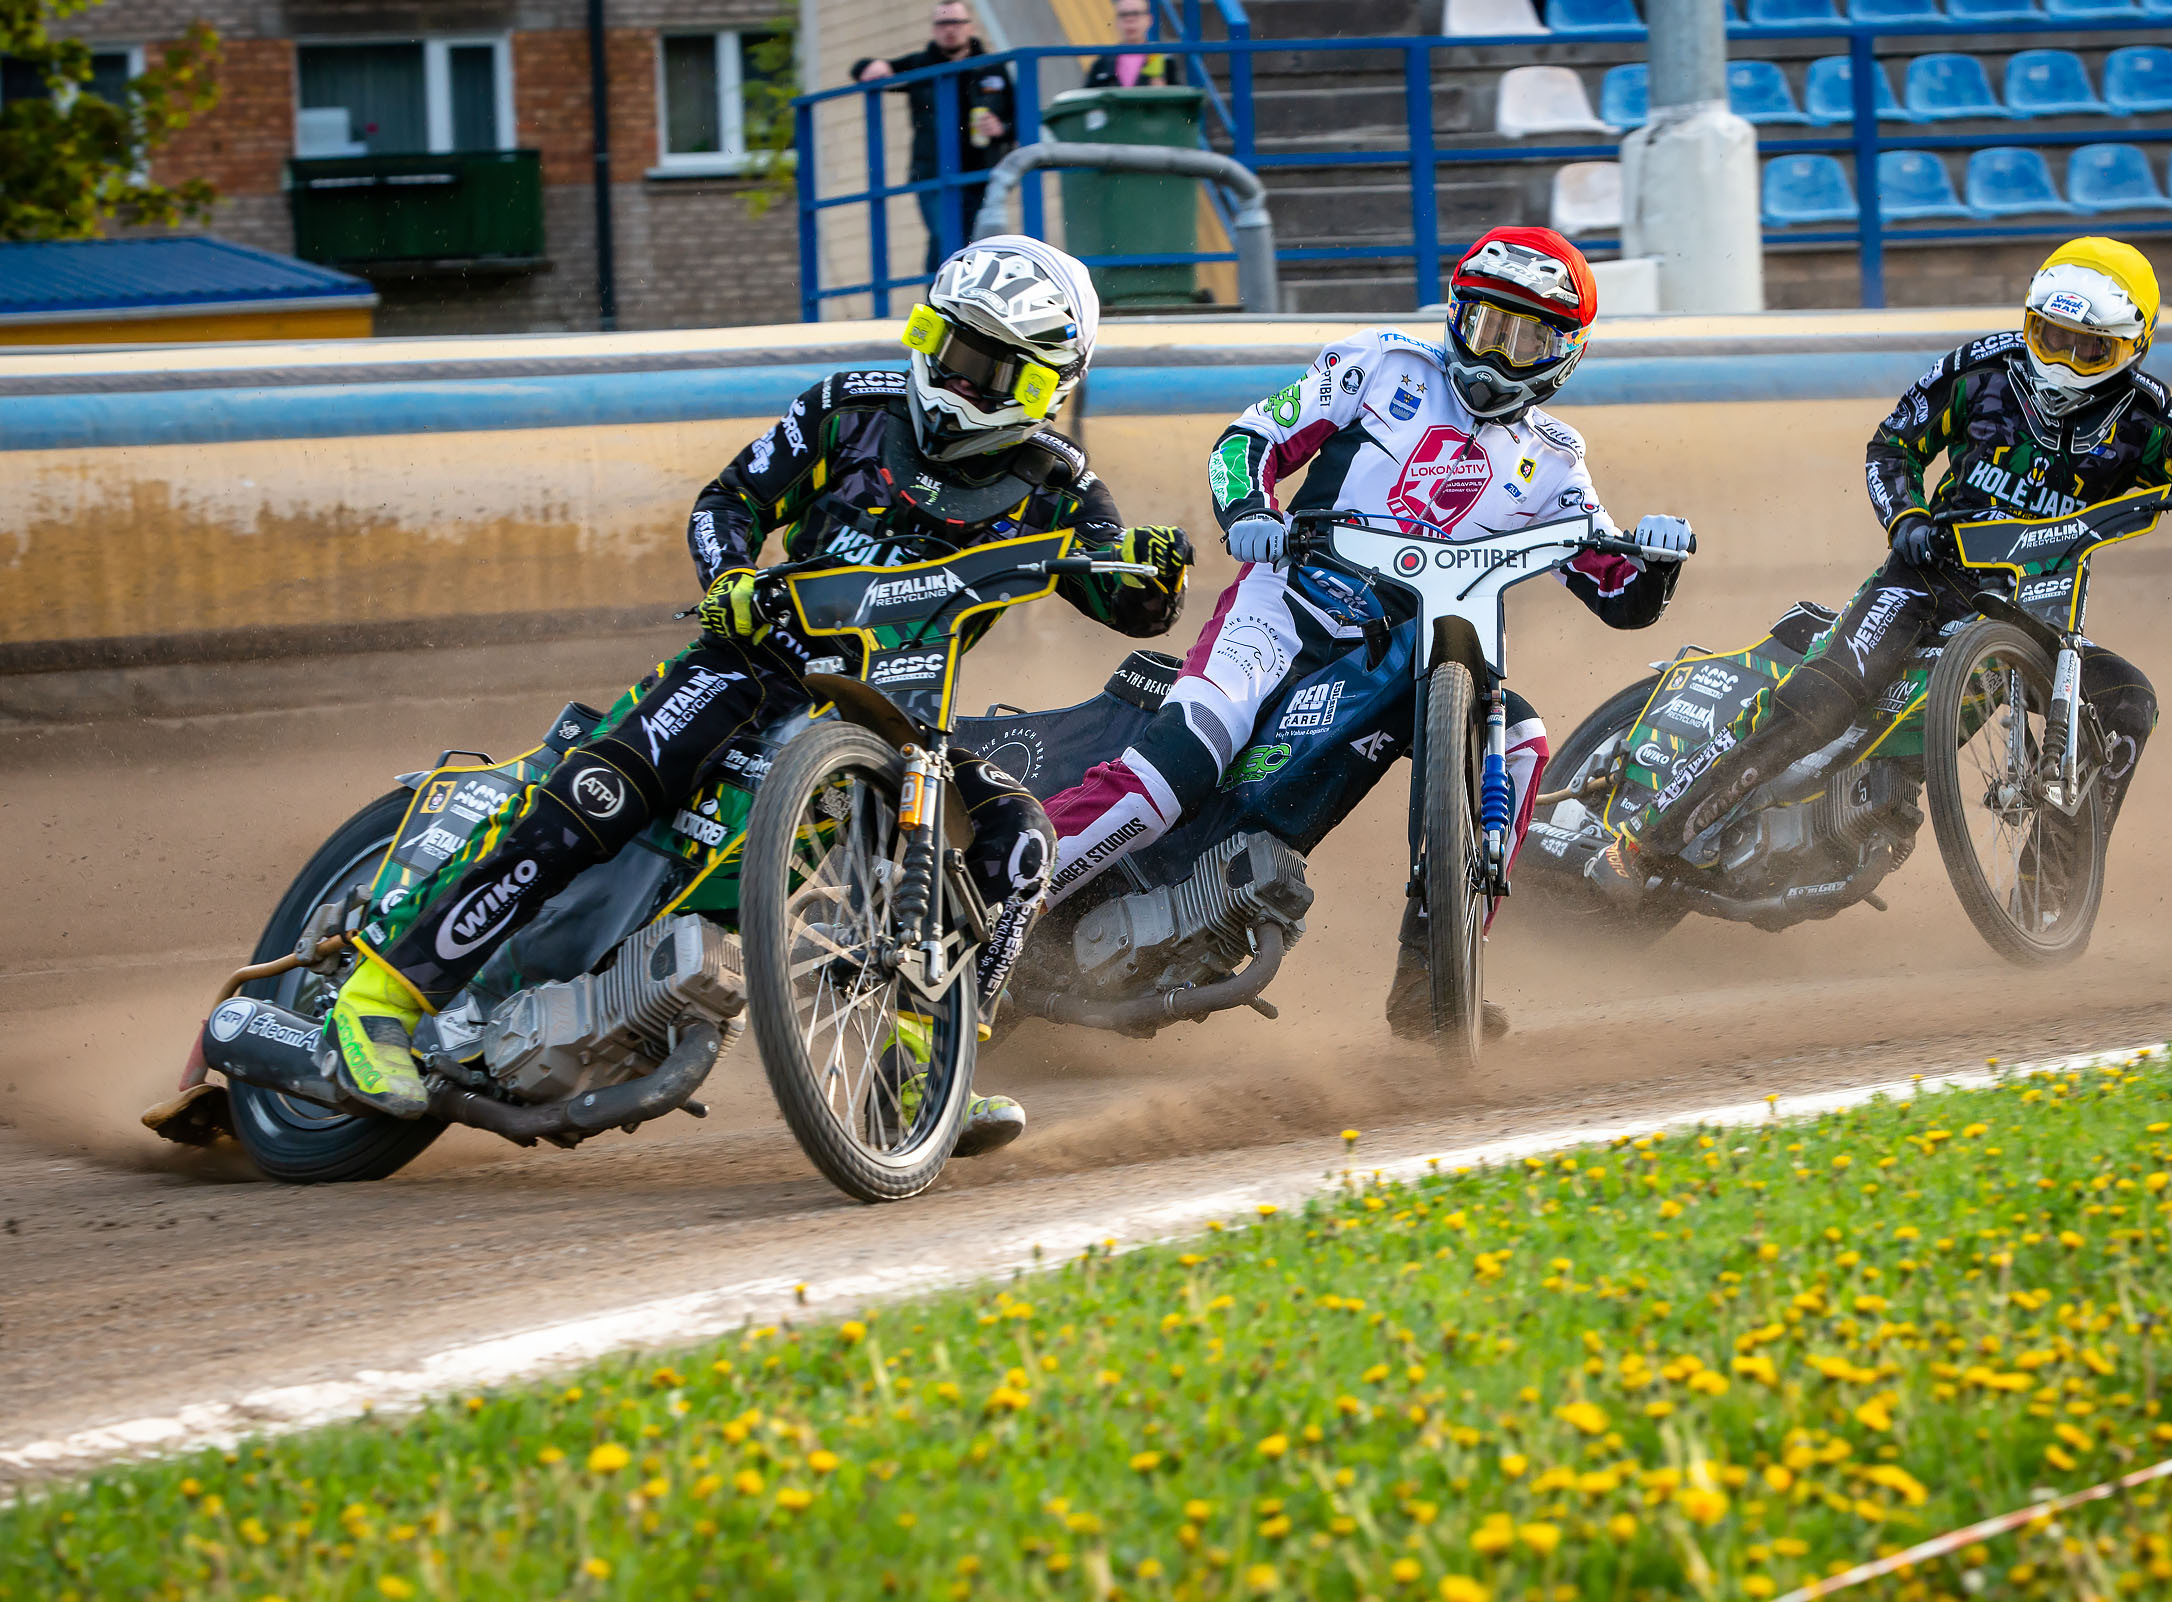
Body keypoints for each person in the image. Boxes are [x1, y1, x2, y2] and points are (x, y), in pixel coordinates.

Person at [324, 238, 1194, 1153]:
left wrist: (1156, 573)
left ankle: (924, 1071)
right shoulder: (845, 407)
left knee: (1020, 843)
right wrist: (729, 574)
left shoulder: (1063, 485)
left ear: (1046, 386)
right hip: (758, 662)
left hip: (904, 726)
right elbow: (725, 500)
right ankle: (382, 997)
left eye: (992, 373)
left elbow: (1131, 602)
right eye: (950, 351)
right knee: (598, 795)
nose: (960, 384)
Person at [1038, 225, 1697, 1040]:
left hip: (1419, 651)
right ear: (1457, 313)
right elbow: (1248, 441)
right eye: (1489, 326)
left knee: (1523, 736)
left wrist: (1655, 558)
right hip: (1287, 606)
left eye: (1529, 340)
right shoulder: (1383, 364)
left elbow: (1617, 593)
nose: (1499, 356)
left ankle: (1431, 983)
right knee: (1178, 771)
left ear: (1565, 356)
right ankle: (995, 900)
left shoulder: (1557, 457)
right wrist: (1249, 512)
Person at [1588, 236, 2172, 904]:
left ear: (2134, 346)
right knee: (1821, 702)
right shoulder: (1982, 369)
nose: (2064, 360)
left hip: (2039, 605)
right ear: (2028, 323)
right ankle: (1645, 841)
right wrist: (1906, 519)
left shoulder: (2153, 418)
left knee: (2128, 699)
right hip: (1926, 577)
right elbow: (1893, 445)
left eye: (2089, 347)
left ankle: (2049, 896)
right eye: (2049, 337)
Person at [854, 2, 1017, 276]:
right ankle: (939, 302)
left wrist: (1002, 128)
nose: (950, 30)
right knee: (947, 235)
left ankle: (948, 303)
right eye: (942, 24)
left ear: (970, 27)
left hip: (982, 172)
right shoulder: (921, 66)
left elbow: (1020, 118)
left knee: (972, 242)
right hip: (932, 173)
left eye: (956, 23)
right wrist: (869, 67)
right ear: (933, 30)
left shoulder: (991, 69)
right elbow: (865, 70)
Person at [1082, 0, 1181, 89]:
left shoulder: (1163, 60)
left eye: (1136, 13)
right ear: (1116, 21)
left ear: (1149, 20)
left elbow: (1179, 101)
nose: (1129, 19)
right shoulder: (1102, 62)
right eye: (1123, 14)